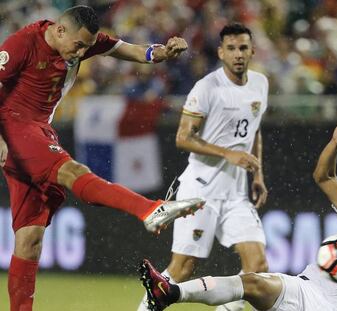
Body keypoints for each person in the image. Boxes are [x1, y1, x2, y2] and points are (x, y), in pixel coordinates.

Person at [0, 5, 205, 311]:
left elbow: (129, 50)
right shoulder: (22, 43)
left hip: (38, 131)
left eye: (86, 46)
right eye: (78, 45)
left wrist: (162, 53)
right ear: (59, 30)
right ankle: (149, 209)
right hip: (14, 127)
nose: (81, 52)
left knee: (30, 239)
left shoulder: (81, 41)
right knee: (71, 171)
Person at [139, 112, 337, 311]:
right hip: (306, 291)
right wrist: (335, 145)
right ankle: (171, 292)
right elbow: (324, 177)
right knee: (253, 282)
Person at [137, 22, 269, 311]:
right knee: (182, 268)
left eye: (243, 48)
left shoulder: (261, 83)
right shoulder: (207, 87)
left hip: (236, 193)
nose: (238, 54)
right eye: (231, 48)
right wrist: (228, 154)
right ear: (221, 53)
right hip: (200, 189)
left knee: (257, 266)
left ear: (252, 51)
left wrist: (257, 174)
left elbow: (254, 130)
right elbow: (183, 137)